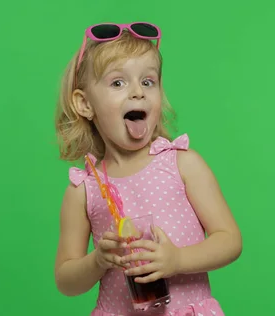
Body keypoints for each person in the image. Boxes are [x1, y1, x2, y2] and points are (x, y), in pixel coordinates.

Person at [53, 22, 242, 315]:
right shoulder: (84, 189)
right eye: (118, 83)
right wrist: (97, 261)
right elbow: (66, 280)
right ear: (85, 103)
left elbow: (229, 240)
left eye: (147, 81)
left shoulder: (182, 164)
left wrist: (176, 260)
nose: (137, 93)